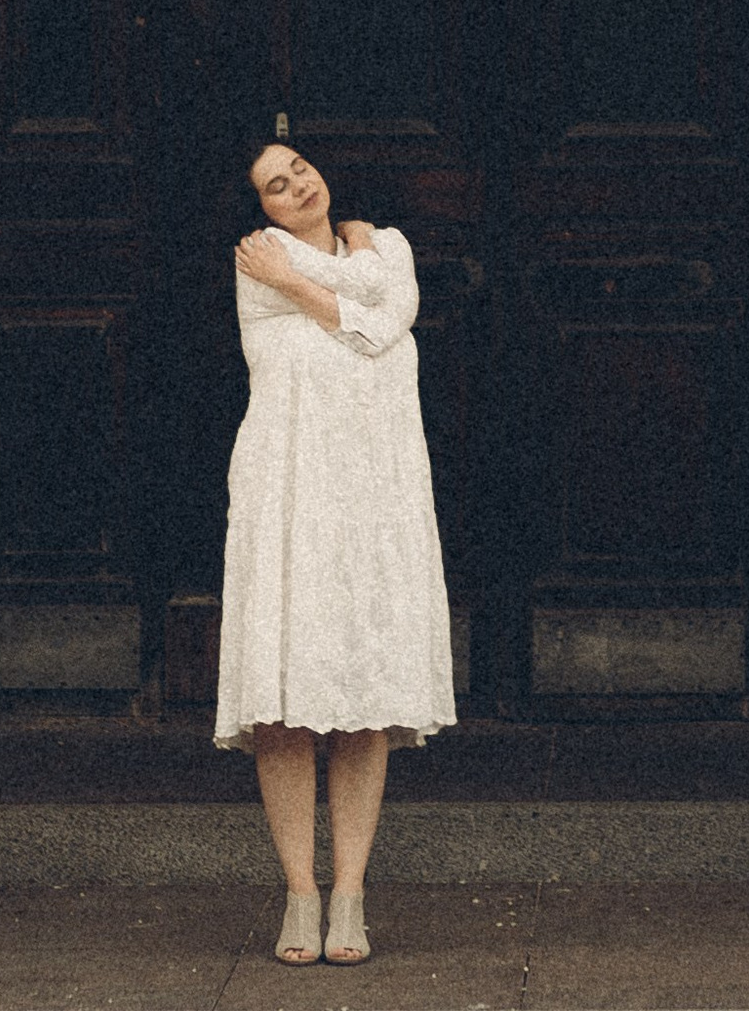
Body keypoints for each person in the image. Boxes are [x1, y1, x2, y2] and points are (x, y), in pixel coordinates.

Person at [219, 131, 457, 963]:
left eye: (300, 169)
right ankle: (299, 893)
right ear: (260, 212)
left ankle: (349, 893)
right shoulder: (258, 261)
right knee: (283, 703)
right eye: (276, 186)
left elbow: (389, 326)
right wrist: (325, 273)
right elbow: (368, 323)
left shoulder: (384, 244)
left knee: (362, 697)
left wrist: (318, 273)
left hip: (373, 495)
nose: (297, 185)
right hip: (289, 491)